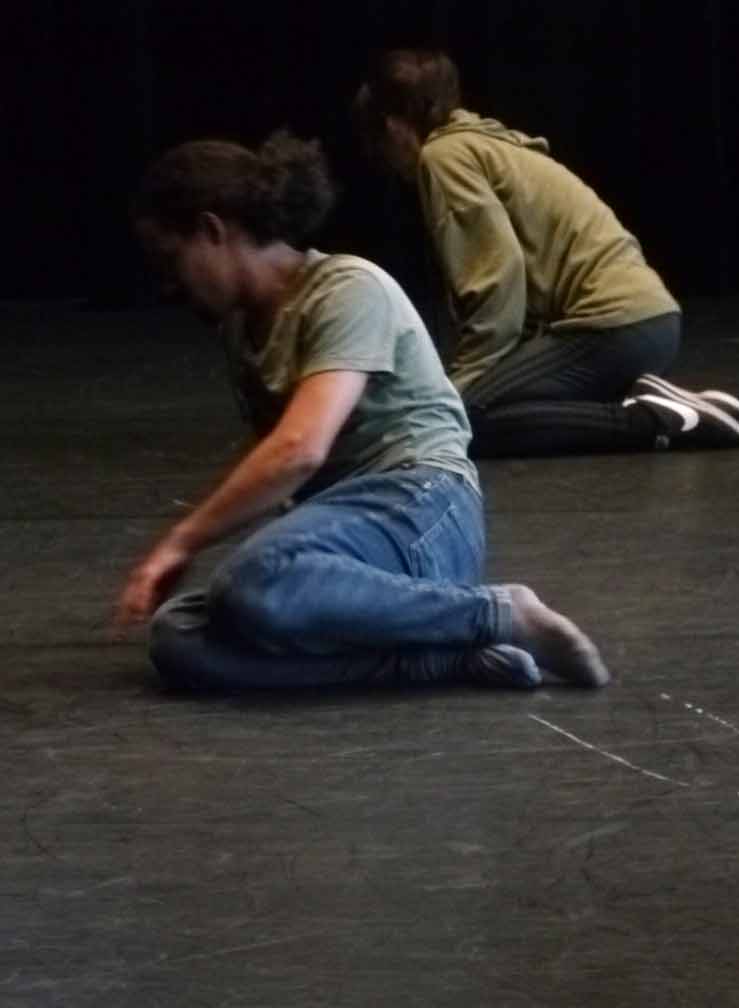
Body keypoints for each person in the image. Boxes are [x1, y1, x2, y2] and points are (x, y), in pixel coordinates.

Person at [116, 133, 611, 691]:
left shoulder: (347, 289)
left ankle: (497, 614)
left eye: (171, 259)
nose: (169, 283)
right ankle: (441, 660)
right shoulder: (243, 331)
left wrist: (183, 540)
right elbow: (287, 481)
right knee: (178, 635)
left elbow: (299, 449)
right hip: (351, 533)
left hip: (421, 508)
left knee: (257, 581)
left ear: (213, 230)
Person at [355, 49, 739, 458]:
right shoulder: (486, 144)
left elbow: (497, 280)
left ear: (392, 126)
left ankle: (652, 421)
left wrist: (460, 385)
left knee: (459, 419)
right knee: (471, 408)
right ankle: (656, 403)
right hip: (648, 323)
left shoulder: (444, 157)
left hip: (612, 328)